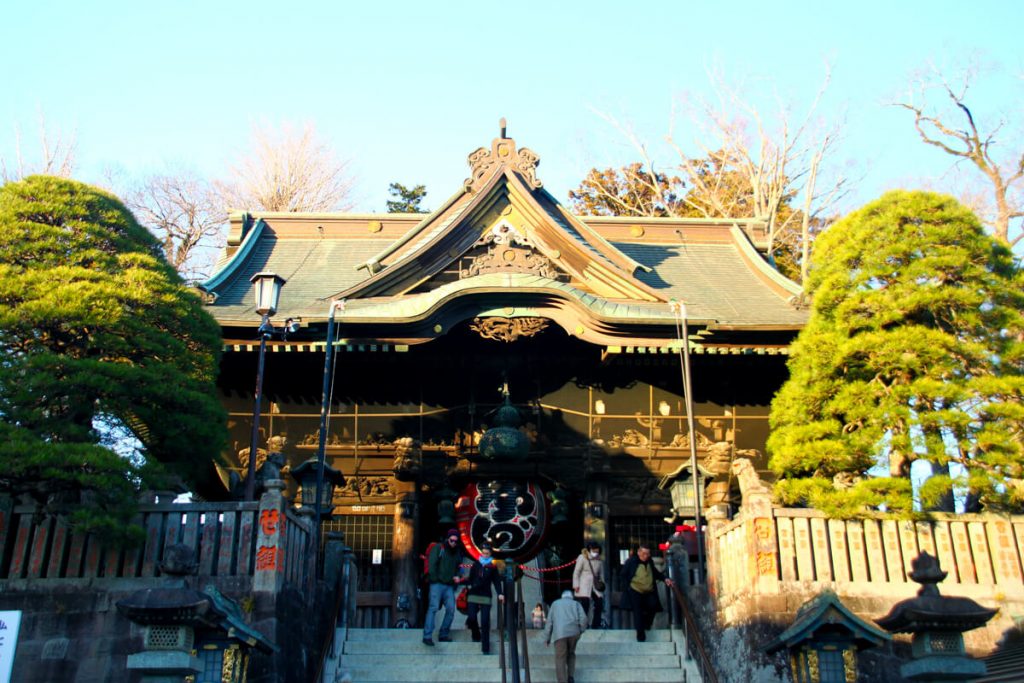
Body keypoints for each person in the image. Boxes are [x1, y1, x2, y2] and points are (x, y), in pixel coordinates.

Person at [619, 544, 674, 642]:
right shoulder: (631, 562)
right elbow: (623, 575)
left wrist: (665, 579)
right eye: (643, 553)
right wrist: (627, 588)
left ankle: (646, 625)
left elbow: (655, 573)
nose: (645, 556)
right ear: (639, 552)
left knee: (653, 606)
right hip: (635, 590)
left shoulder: (650, 562)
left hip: (649, 590)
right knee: (638, 611)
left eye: (647, 554)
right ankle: (641, 636)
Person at [422, 528, 465, 646]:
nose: (453, 543)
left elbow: (459, 566)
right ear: (448, 539)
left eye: (456, 541)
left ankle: (443, 634)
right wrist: (435, 579)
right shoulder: (438, 548)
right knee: (433, 607)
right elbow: (432, 564)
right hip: (437, 583)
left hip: (448, 585)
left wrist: (457, 576)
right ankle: (427, 636)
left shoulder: (456, 552)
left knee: (451, 609)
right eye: (452, 540)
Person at [463, 543, 504, 654]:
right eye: (483, 553)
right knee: (471, 617)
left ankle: (485, 648)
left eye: (487, 553)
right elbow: (471, 578)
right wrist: (461, 581)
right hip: (474, 593)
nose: (485, 555)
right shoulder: (476, 564)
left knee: (485, 621)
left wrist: (500, 593)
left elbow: (496, 581)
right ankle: (476, 635)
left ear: (490, 554)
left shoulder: (492, 566)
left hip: (486, 594)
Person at [543, 589, 588, 683]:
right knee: (571, 654)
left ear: (562, 597)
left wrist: (547, 638)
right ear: (571, 596)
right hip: (574, 633)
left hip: (560, 634)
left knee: (560, 657)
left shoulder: (555, 604)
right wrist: (580, 631)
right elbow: (584, 619)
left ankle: (562, 681)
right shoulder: (576, 604)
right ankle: (570, 677)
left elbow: (549, 622)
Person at [572, 541, 605, 629]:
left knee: (599, 603)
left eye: (597, 551)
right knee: (585, 605)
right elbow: (577, 572)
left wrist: (602, 584)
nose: (596, 553)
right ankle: (583, 625)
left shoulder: (599, 560)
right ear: (590, 549)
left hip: (595, 586)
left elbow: (601, 574)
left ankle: (595, 624)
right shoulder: (582, 557)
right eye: (594, 551)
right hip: (584, 584)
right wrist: (576, 585)